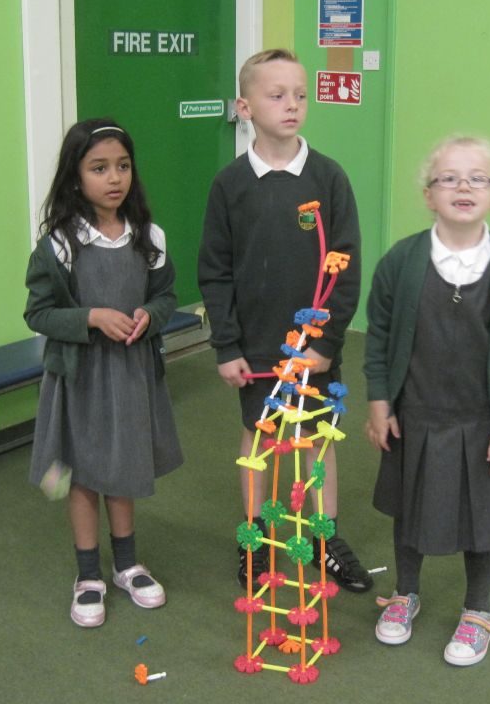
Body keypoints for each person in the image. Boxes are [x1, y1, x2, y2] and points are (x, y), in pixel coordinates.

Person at [363, 135, 490, 665]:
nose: (463, 186)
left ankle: (478, 609)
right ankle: (405, 593)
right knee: (410, 507)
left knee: (481, 518)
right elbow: (378, 338)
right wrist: (380, 402)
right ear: (428, 194)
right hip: (415, 417)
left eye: (478, 178)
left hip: (481, 422)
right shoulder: (401, 262)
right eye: (449, 178)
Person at [198, 49, 371, 592]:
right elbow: (215, 271)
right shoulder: (229, 185)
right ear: (245, 107)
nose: (292, 104)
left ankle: (324, 538)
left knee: (318, 437)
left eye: (299, 94)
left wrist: (327, 342)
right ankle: (254, 540)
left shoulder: (328, 177)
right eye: (277, 95)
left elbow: (345, 267)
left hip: (313, 346)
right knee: (259, 439)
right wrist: (227, 346)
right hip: (255, 345)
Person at [24, 118, 183, 628]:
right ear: (75, 177)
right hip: (81, 378)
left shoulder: (148, 236)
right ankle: (89, 574)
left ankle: (128, 565)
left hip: (130, 376)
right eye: (99, 168)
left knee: (123, 466)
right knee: (84, 473)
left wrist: (149, 316)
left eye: (123, 166)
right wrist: (90, 317)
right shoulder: (60, 245)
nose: (114, 178)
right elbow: (38, 313)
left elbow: (165, 296)